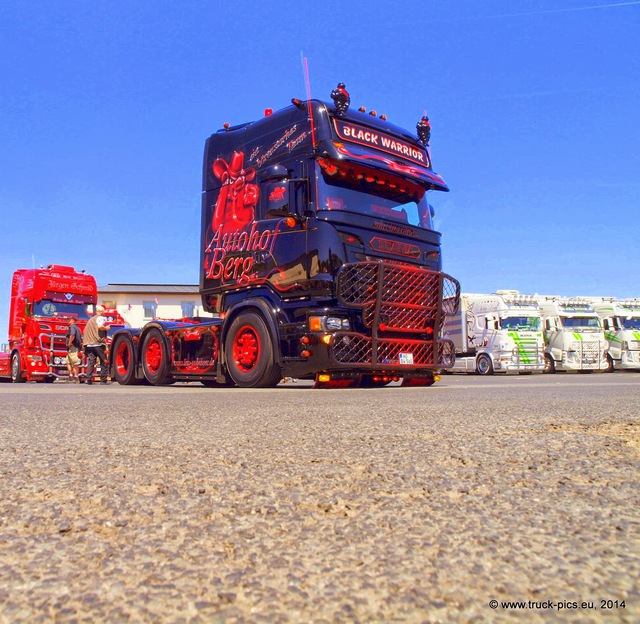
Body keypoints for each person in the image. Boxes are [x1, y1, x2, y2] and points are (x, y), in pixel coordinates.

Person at [82, 305, 111, 385]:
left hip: (89, 344)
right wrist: (106, 328)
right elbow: (99, 326)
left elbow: (84, 331)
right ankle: (103, 379)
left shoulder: (90, 319)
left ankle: (89, 379)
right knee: (103, 361)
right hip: (98, 343)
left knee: (91, 361)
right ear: (101, 312)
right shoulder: (100, 318)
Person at [65, 317, 83, 383]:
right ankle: (70, 375)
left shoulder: (72, 327)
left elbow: (72, 335)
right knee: (68, 361)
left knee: (75, 362)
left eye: (69, 320)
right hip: (74, 347)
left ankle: (76, 377)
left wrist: (69, 343)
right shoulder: (77, 328)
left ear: (73, 320)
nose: (68, 321)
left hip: (73, 347)